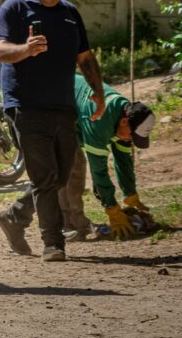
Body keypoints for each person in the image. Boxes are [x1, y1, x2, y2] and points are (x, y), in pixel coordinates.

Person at [0, 0, 106, 262]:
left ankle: (15, 216)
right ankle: (53, 243)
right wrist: (26, 50)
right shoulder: (14, 8)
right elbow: (0, 50)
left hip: (63, 105)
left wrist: (98, 93)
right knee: (45, 177)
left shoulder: (70, 13)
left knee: (60, 175)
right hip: (25, 105)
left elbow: (85, 57)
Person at [61, 73, 156, 239]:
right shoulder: (100, 119)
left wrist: (130, 193)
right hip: (53, 107)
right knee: (70, 165)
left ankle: (75, 222)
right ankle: (65, 225)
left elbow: (123, 160)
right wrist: (111, 207)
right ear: (124, 122)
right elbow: (98, 169)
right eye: (132, 136)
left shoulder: (125, 115)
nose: (130, 140)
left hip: (72, 111)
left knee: (75, 166)